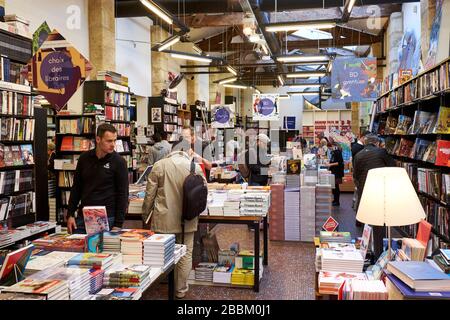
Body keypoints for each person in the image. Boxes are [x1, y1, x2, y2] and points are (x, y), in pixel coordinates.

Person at [142, 138, 206, 299]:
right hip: (188, 220)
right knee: (185, 255)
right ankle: (180, 290)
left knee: (161, 254)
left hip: (163, 220)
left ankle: (156, 287)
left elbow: (149, 195)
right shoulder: (195, 167)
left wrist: (145, 216)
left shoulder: (160, 166)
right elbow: (203, 193)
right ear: (187, 150)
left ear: (172, 149)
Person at [66, 124, 129, 234]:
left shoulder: (119, 162)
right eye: (109, 141)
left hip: (108, 217)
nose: (113, 144)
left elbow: (123, 194)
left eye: (114, 141)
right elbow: (76, 188)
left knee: (104, 251)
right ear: (98, 139)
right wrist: (70, 214)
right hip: (85, 216)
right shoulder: (84, 159)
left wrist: (118, 224)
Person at [353, 133, 396, 259]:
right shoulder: (381, 152)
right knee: (380, 221)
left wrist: (360, 186)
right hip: (380, 189)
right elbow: (393, 168)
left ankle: (368, 246)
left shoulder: (358, 155)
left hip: (364, 189)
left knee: (368, 218)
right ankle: (379, 252)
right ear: (377, 143)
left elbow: (355, 174)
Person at [325, 140, 344, 206]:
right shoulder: (334, 152)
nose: (329, 149)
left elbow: (339, 162)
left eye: (330, 148)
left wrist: (330, 165)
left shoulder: (337, 152)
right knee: (334, 187)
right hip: (334, 172)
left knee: (336, 187)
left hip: (337, 172)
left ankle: (337, 201)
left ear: (333, 146)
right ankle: (335, 200)